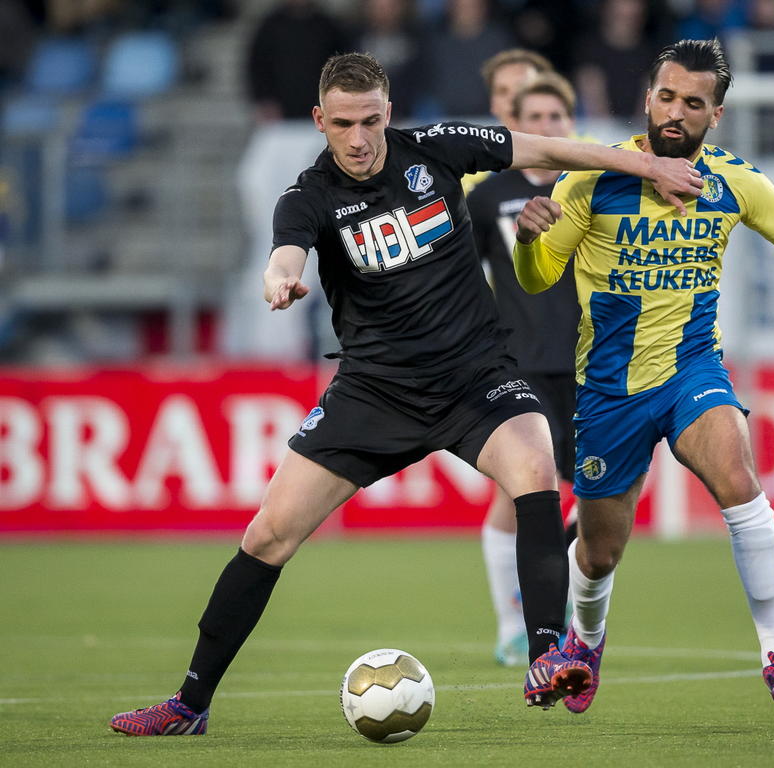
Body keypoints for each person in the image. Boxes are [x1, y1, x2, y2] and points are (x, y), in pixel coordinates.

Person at [108, 51, 705, 736]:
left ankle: (547, 655)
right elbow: (286, 251)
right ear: (318, 121)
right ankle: (189, 704)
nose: (358, 139)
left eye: (369, 121)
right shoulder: (307, 196)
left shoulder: (436, 150)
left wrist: (650, 165)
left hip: (478, 377)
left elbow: (547, 146)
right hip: (376, 391)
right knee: (268, 535)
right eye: (341, 124)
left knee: (536, 470)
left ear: (388, 114)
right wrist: (279, 281)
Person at [512, 38, 774, 713]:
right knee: (600, 553)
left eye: (693, 103)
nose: (675, 113)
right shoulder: (590, 178)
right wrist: (527, 240)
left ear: (716, 114)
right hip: (609, 388)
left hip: (692, 368)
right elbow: (539, 277)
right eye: (666, 97)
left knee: (738, 477)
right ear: (647, 98)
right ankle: (585, 642)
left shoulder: (735, 183)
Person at [467, 72, 579, 666]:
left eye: (556, 118)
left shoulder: (591, 187)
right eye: (533, 118)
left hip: (593, 363)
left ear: (571, 123)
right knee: (518, 496)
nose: (546, 127)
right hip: (521, 364)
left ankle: (567, 611)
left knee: (597, 494)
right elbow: (464, 276)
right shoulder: (488, 196)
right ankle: (514, 626)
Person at [462, 47, 553, 195]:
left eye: (523, 87)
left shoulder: (586, 157)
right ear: (493, 105)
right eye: (502, 91)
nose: (513, 99)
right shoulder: (472, 176)